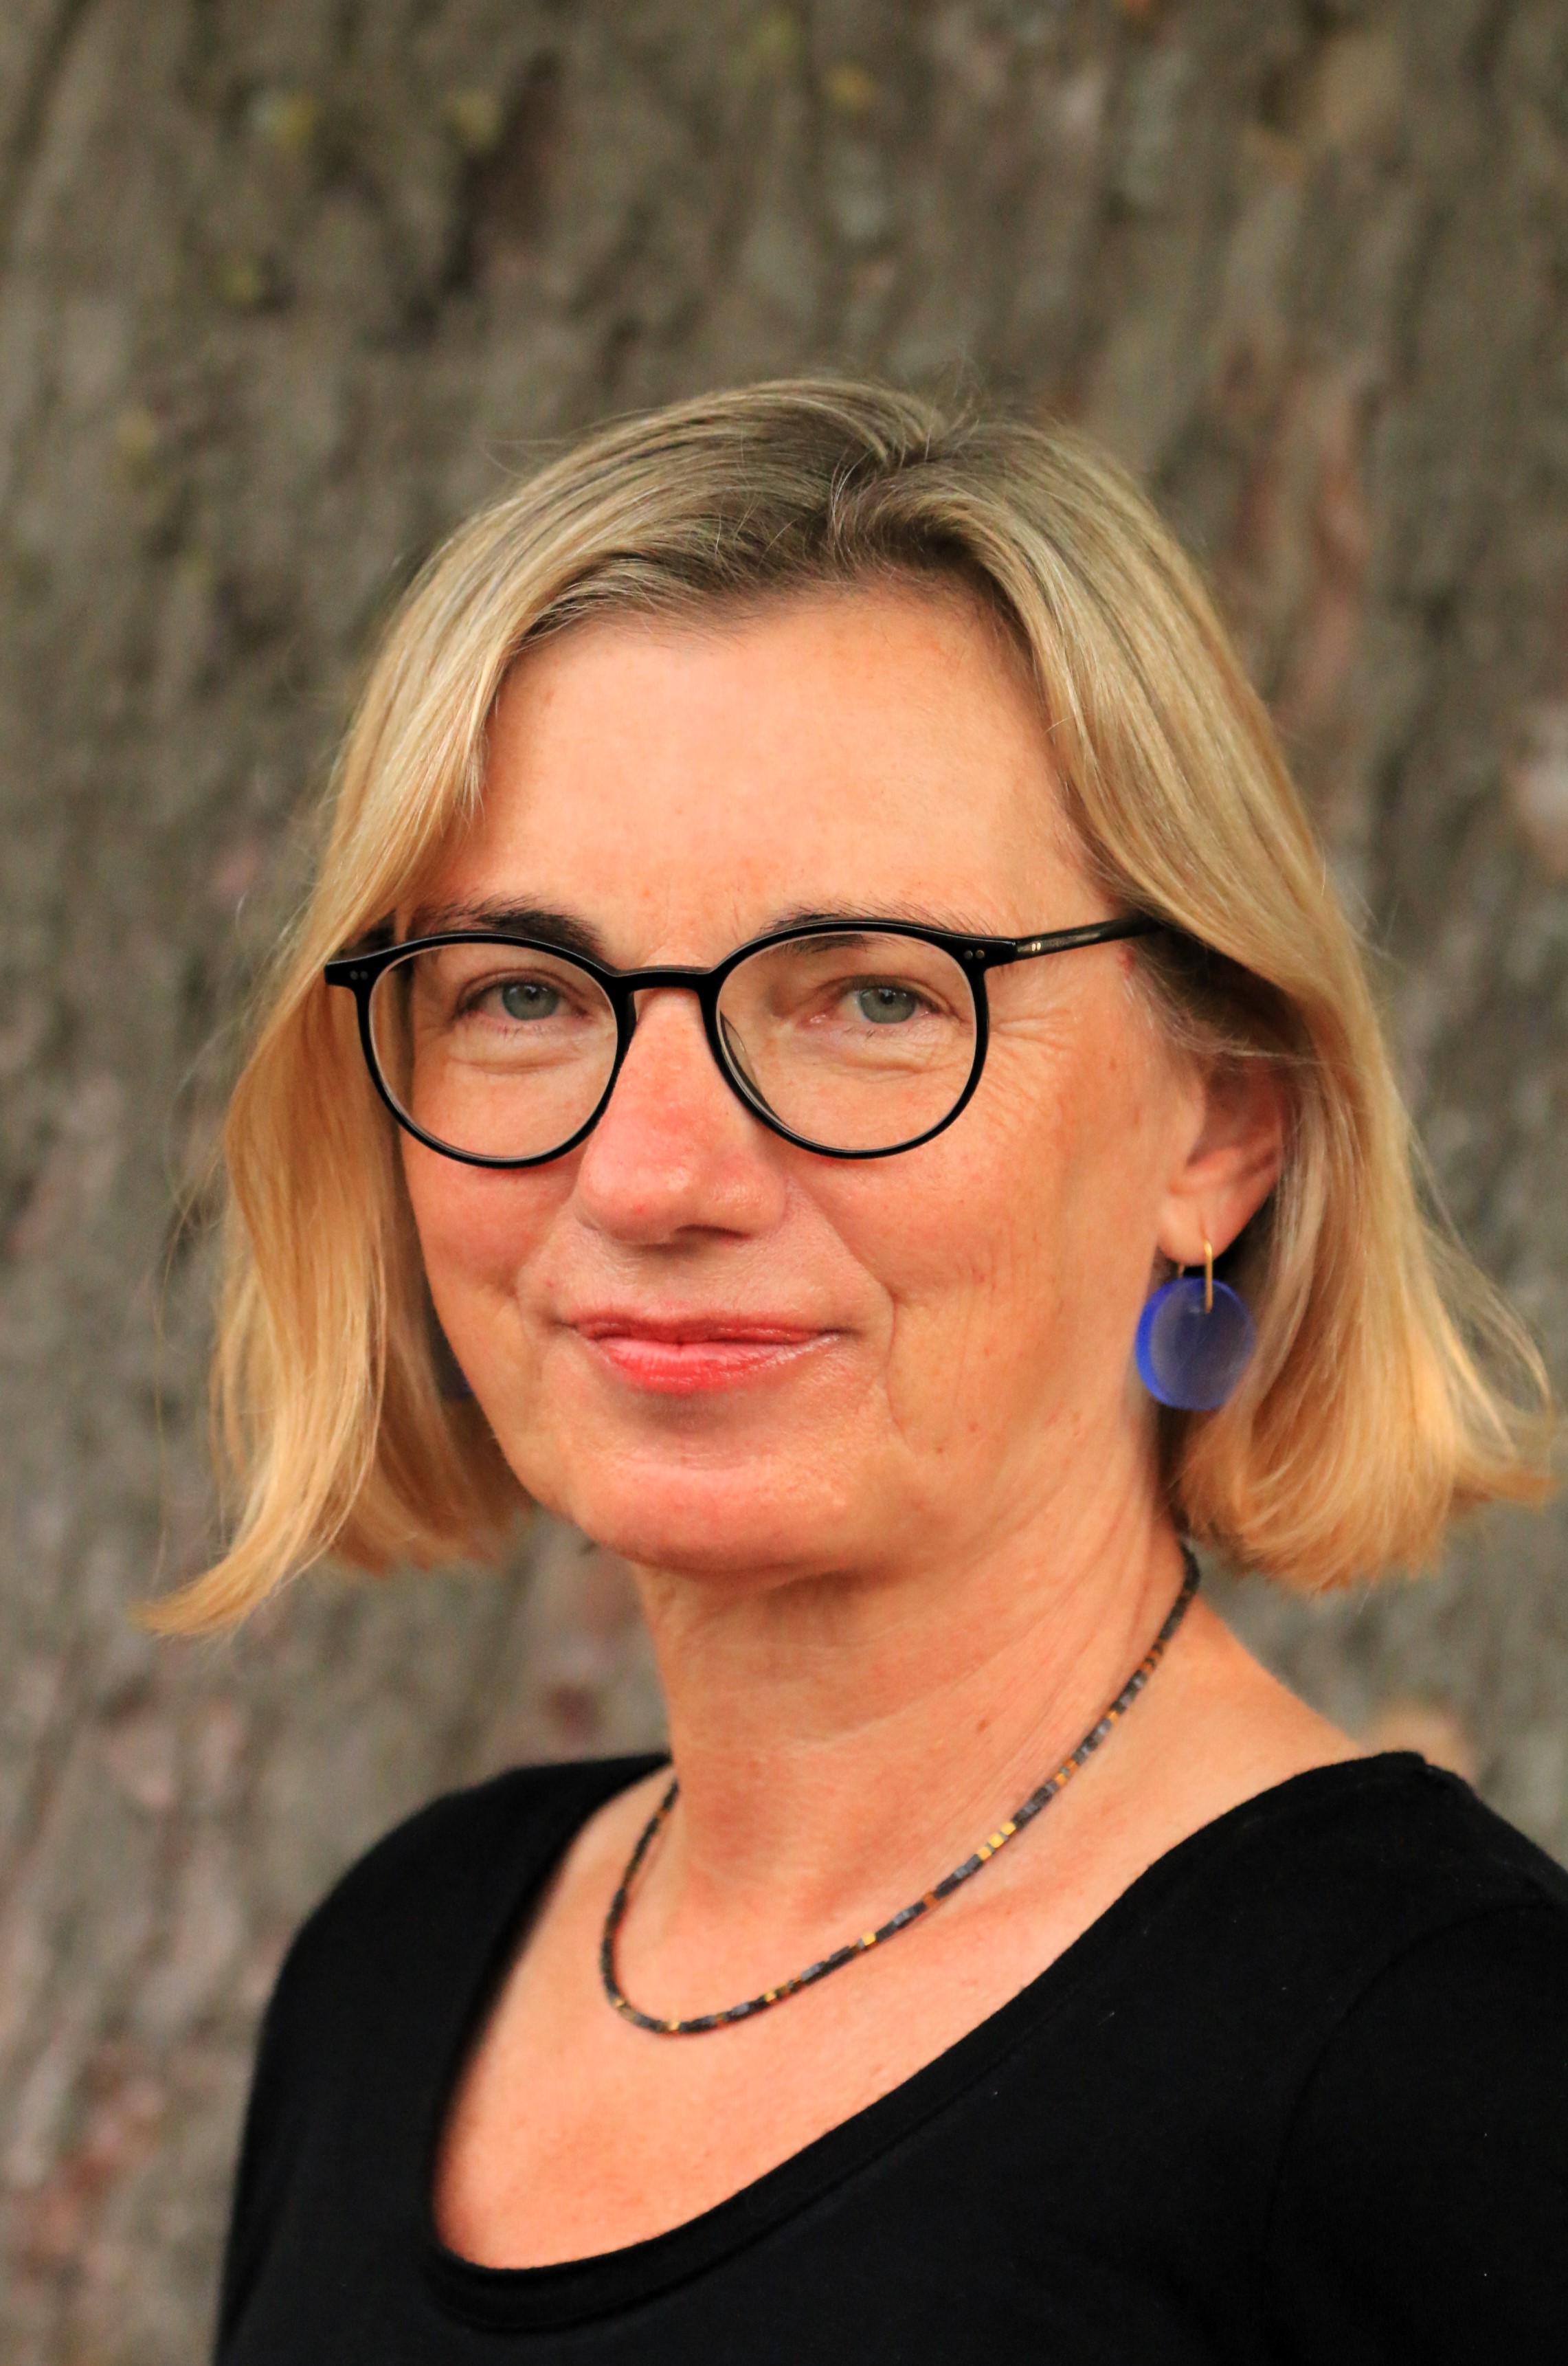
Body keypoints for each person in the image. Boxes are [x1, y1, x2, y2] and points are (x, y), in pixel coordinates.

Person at [170, 381, 1568, 2363]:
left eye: (872, 996)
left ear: (1219, 1124)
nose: (653, 1173)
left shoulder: (1449, 2067)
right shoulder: (399, 1967)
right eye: (524, 994)